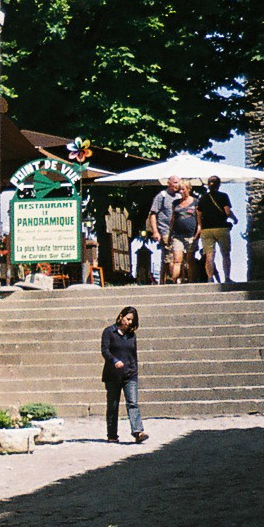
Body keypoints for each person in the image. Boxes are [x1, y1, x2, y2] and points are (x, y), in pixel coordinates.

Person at [101, 306, 147, 445]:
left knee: (133, 403)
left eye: (132, 320)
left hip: (129, 375)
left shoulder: (131, 335)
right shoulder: (109, 332)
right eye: (128, 319)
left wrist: (134, 370)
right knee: (113, 405)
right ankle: (112, 435)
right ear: (121, 316)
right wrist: (114, 361)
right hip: (112, 375)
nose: (129, 322)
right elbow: (105, 351)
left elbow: (133, 354)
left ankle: (138, 432)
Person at [147, 176, 199, 284]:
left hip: (185, 233)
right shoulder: (162, 196)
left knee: (184, 260)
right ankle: (173, 282)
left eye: (179, 183)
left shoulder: (180, 197)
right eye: (175, 183)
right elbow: (153, 214)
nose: (177, 186)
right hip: (167, 231)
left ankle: (181, 281)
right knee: (171, 259)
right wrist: (156, 231)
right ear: (168, 183)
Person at [197, 175, 237, 283]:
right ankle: (227, 277)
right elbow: (227, 211)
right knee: (225, 254)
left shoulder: (202, 198)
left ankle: (210, 278)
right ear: (219, 185)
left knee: (209, 255)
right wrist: (235, 219)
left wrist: (200, 225)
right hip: (221, 228)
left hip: (206, 230)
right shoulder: (223, 196)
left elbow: (199, 213)